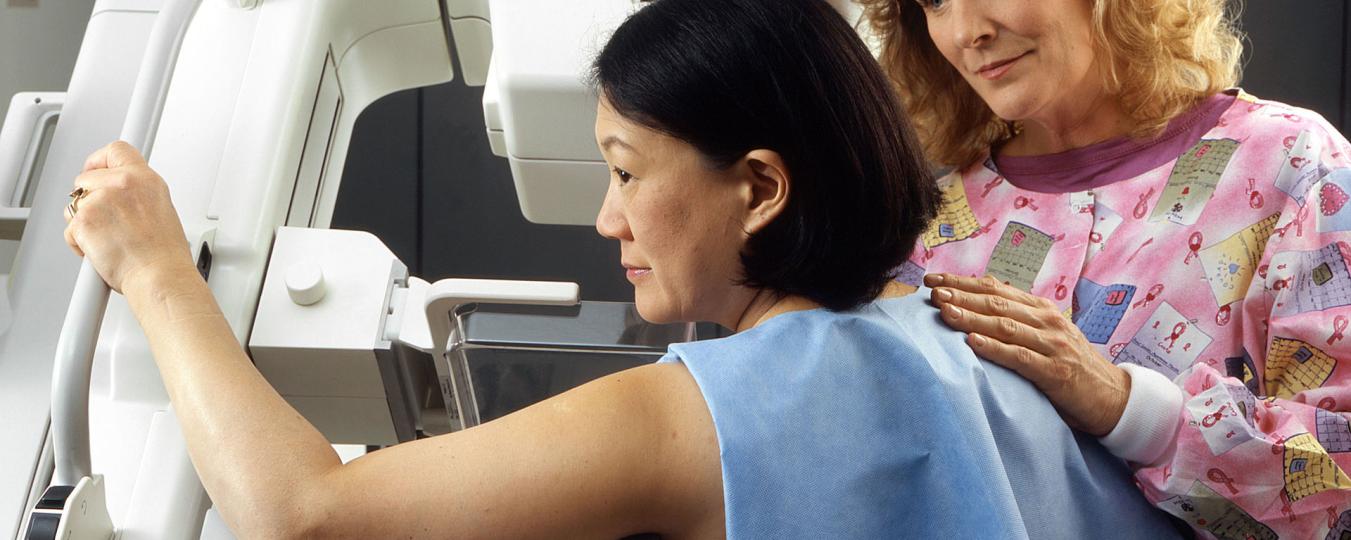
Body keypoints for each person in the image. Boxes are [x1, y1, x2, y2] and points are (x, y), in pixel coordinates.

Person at [61, 0, 1181, 537]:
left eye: (625, 171)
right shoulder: (996, 359)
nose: (604, 220)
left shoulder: (710, 410)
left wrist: (156, 270)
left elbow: (303, 515)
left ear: (758, 188)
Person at [858, 0, 1351, 536]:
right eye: (933, 2)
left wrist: (1132, 410)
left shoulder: (1298, 165)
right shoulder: (921, 231)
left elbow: (1340, 482)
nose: (967, 31)